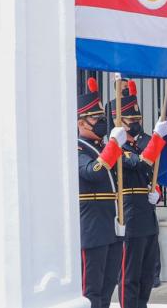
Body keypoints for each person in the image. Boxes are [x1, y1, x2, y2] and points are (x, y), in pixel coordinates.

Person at [109, 81, 167, 308]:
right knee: (129, 276)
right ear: (119, 123)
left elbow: (153, 176)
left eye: (137, 120)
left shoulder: (141, 144)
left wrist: (158, 195)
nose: (135, 124)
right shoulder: (115, 150)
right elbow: (141, 165)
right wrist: (157, 139)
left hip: (147, 218)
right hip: (129, 217)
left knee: (146, 276)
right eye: (131, 121)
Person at [76, 77, 124, 308]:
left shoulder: (100, 147)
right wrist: (113, 145)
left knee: (107, 288)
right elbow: (92, 172)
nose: (101, 122)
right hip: (92, 228)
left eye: (102, 118)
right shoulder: (77, 147)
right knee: (91, 291)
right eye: (96, 118)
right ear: (81, 122)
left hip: (111, 226)